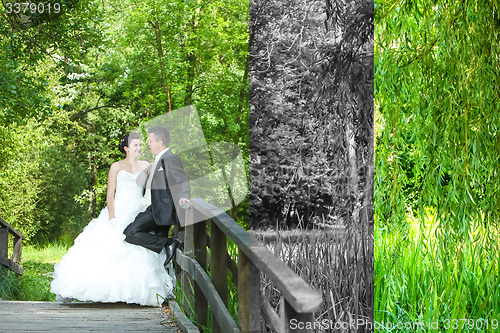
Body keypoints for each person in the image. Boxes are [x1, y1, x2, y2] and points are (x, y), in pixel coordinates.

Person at [51, 133, 174, 307]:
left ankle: (133, 291)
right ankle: (93, 289)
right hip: (119, 209)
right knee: (107, 246)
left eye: (140, 145)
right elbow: (110, 194)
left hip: (138, 210)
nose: (139, 148)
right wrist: (112, 216)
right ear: (126, 148)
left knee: (134, 242)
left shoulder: (146, 165)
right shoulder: (116, 167)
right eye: (135, 145)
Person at [124, 126, 190, 267]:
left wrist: (184, 196)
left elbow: (181, 179)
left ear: (160, 143)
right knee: (159, 256)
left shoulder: (170, 158)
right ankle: (165, 284)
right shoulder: (158, 160)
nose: (147, 144)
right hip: (156, 208)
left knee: (130, 232)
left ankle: (170, 242)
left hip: (161, 209)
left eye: (150, 141)